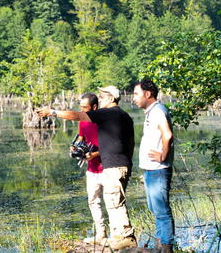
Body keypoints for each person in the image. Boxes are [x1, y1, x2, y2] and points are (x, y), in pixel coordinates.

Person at [37, 86, 137, 250]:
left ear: (112, 98)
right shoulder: (125, 116)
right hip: (121, 163)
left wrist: (53, 112)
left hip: (113, 165)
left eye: (103, 96)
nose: (101, 98)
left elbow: (76, 116)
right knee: (113, 201)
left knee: (114, 203)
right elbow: (131, 142)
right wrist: (128, 161)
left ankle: (125, 237)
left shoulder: (108, 113)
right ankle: (117, 237)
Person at [132, 79, 175, 253]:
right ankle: (160, 244)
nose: (134, 98)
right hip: (151, 170)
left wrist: (163, 155)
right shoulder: (152, 112)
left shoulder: (158, 111)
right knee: (156, 209)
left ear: (147, 94)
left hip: (158, 170)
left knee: (162, 211)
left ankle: (165, 248)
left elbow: (168, 135)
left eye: (136, 94)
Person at [75, 93, 106, 243]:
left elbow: (111, 146)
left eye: (85, 107)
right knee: (93, 201)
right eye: (80, 107)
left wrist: (94, 154)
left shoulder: (103, 122)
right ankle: (101, 234)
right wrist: (74, 147)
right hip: (91, 169)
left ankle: (118, 235)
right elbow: (81, 138)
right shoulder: (82, 120)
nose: (82, 110)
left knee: (113, 202)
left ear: (94, 107)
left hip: (107, 168)